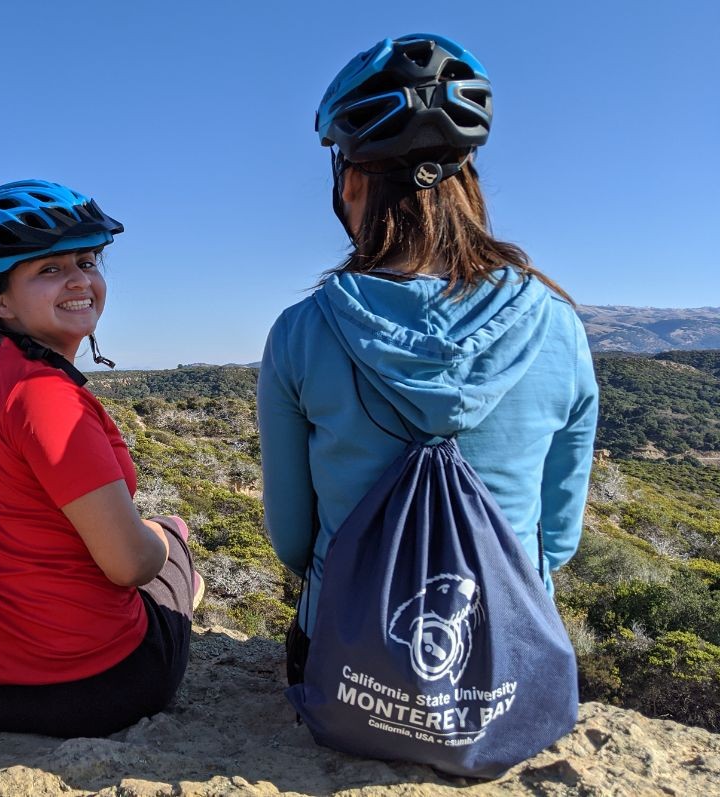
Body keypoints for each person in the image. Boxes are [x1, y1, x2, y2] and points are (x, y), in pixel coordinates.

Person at [257, 34, 598, 683]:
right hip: (507, 669)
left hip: (348, 668)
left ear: (352, 178)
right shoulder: (559, 326)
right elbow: (558, 542)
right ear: (468, 172)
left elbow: (294, 543)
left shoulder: (302, 332)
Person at [0, 180, 200, 737]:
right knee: (171, 543)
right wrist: (164, 539)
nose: (79, 279)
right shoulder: (48, 397)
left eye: (86, 260)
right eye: (48, 269)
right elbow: (128, 566)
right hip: (80, 687)